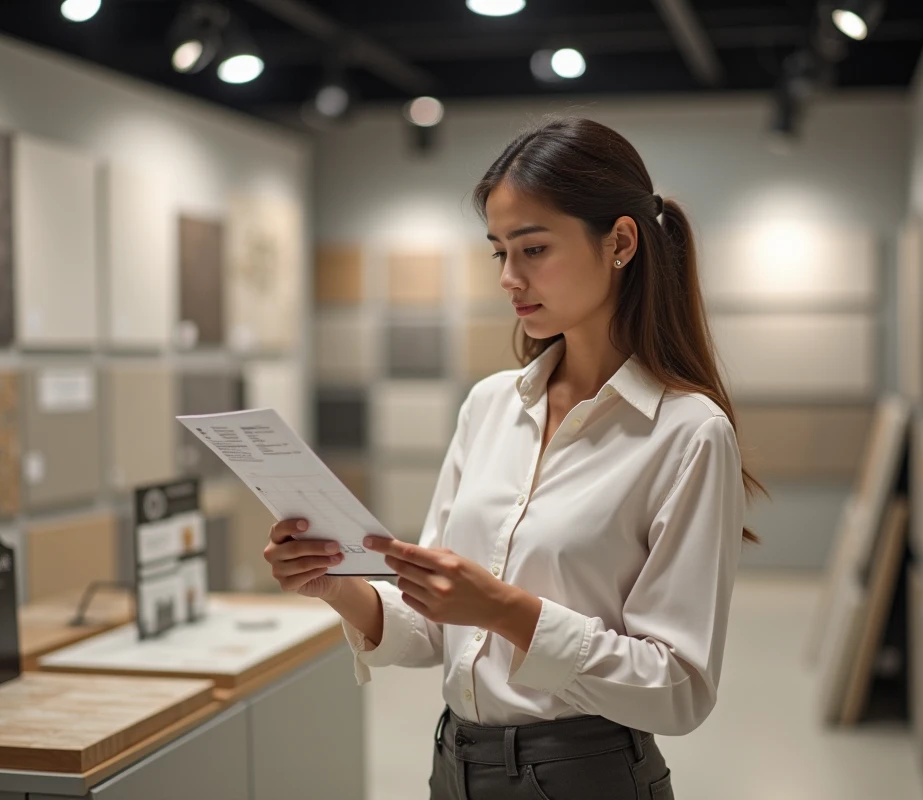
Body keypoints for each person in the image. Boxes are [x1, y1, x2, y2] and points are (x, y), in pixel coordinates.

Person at [264, 116, 762, 800]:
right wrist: (336, 585)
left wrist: (506, 610)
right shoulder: (490, 405)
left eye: (532, 249)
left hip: (585, 777)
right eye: (498, 251)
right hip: (455, 765)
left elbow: (679, 690)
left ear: (620, 243)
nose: (508, 277)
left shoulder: (689, 433)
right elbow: (436, 630)